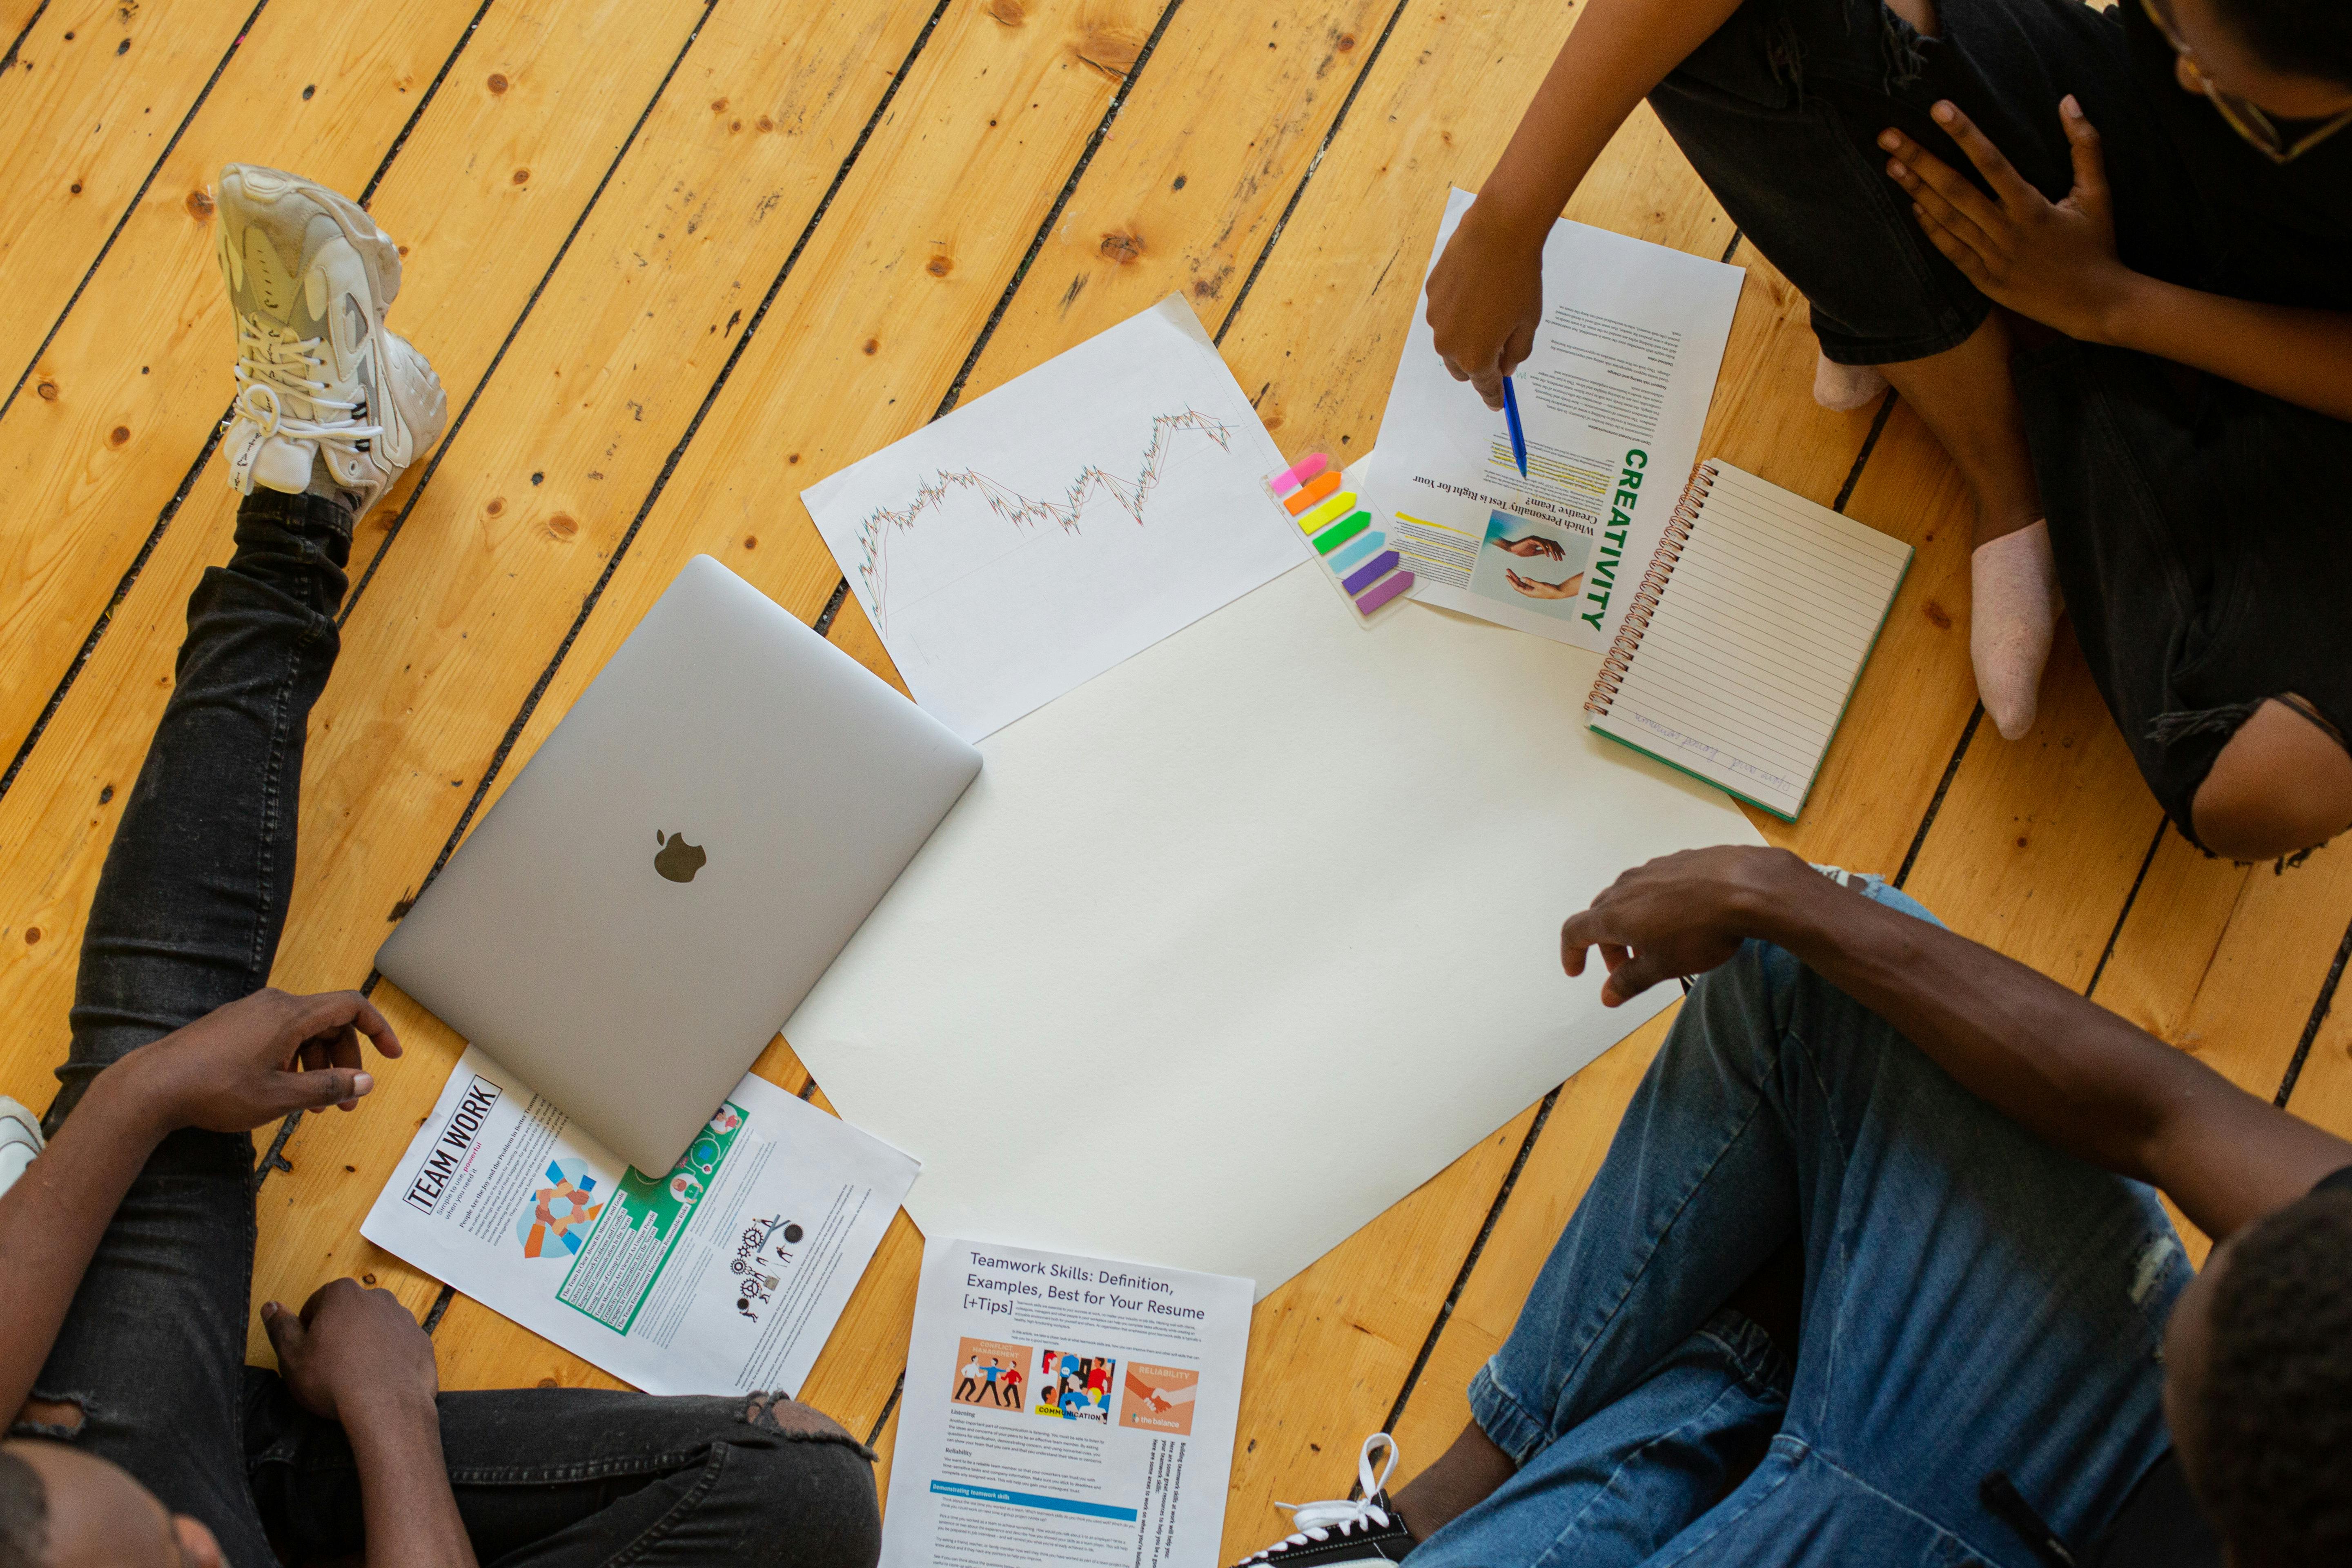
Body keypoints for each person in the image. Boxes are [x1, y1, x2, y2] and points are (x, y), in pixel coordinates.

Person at [0, 163, 882, 1568]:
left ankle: (306, 492)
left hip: (101, 1415)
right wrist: (387, 1408)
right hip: (321, 1482)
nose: (199, 1550)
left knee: (158, 1055)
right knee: (804, 1497)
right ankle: (285, 1458)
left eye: (163, 1538)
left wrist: (156, 1085)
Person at [1228, 848, 2352, 1567]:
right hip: (2113, 1421)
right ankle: (1439, 1508)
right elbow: (2164, 1116)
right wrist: (1783, 900)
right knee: (1815, 960)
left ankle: (1757, 1363)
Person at [1423, 0, 2352, 862]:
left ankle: (1959, 326)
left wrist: (2114, 308)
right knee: (1766, 28)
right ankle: (2006, 453)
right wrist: (1513, 216)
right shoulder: (2198, 75)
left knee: (2269, 780)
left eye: (2253, 103)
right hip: (2128, 149)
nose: (2191, 71)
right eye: (2174, 22)